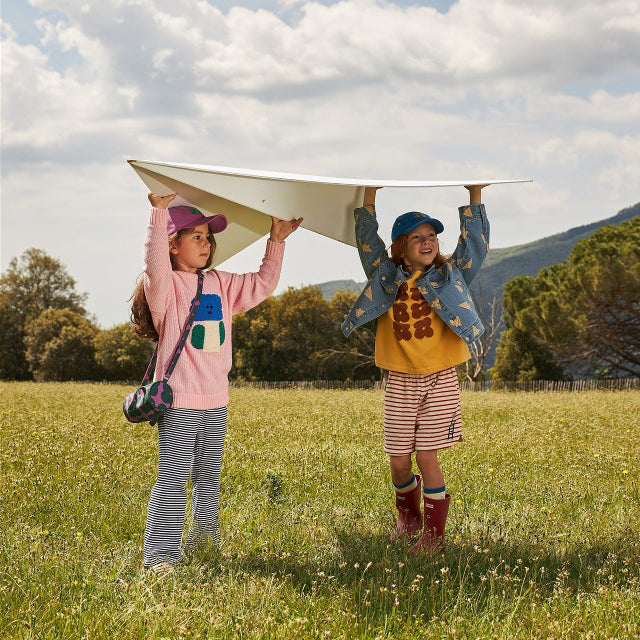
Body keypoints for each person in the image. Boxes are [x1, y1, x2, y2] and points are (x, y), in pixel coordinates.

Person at [131, 192, 302, 572]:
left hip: (216, 402)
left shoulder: (221, 284)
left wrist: (277, 239)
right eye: (196, 236)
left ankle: (204, 547)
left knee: (208, 482)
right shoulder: (165, 288)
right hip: (179, 402)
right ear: (173, 246)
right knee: (173, 482)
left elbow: (262, 284)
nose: (206, 243)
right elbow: (154, 264)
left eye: (208, 237)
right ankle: (160, 559)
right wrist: (158, 213)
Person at [341, 185, 489, 553]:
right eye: (417, 238)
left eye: (432, 236)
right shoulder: (384, 275)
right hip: (401, 380)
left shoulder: (451, 275)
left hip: (440, 379)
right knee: (398, 461)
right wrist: (369, 194)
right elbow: (366, 241)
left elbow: (475, 245)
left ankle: (434, 537)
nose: (428, 242)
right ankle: (408, 518)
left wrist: (475, 197)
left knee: (427, 455)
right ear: (399, 247)